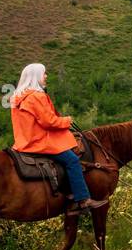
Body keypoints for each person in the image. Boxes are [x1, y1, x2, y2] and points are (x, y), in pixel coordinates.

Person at [10, 63, 107, 211]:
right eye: (44, 74)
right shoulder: (37, 96)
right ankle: (83, 199)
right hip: (38, 142)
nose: (46, 76)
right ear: (36, 76)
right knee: (72, 160)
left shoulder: (17, 97)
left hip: (22, 142)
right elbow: (49, 121)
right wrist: (66, 121)